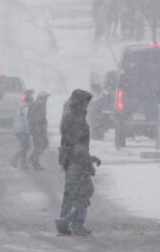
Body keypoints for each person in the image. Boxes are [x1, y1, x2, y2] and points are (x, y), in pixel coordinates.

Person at [58, 89, 93, 221]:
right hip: (76, 160)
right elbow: (76, 143)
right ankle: (69, 221)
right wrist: (87, 160)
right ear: (79, 103)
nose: (86, 105)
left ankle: (67, 220)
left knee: (75, 192)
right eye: (84, 102)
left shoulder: (77, 117)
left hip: (74, 158)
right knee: (82, 191)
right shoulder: (74, 119)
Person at [55, 144, 100, 237]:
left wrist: (94, 160)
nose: (86, 156)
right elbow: (74, 181)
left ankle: (70, 223)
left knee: (80, 209)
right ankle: (70, 224)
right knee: (80, 209)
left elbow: (88, 162)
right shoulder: (76, 166)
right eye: (84, 154)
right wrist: (76, 192)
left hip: (83, 192)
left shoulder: (79, 163)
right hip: (80, 192)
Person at [9, 90, 34, 170]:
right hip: (21, 130)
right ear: (29, 101)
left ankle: (23, 164)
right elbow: (26, 121)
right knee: (26, 147)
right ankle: (14, 159)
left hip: (20, 129)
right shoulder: (26, 108)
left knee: (25, 146)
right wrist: (28, 131)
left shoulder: (22, 106)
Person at [28, 91, 50, 171]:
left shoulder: (34, 103)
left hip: (34, 127)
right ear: (42, 97)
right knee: (43, 143)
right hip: (38, 127)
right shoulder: (40, 104)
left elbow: (29, 115)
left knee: (38, 144)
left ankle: (35, 162)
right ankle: (33, 159)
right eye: (46, 97)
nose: (47, 99)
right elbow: (38, 117)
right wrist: (40, 128)